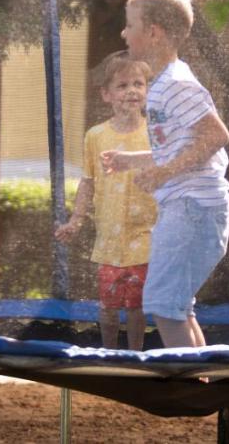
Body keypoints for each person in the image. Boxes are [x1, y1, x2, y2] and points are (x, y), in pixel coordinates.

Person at [102, 0, 229, 348]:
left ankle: (187, 386)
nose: (123, 33)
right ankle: (200, 385)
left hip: (193, 208)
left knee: (162, 304)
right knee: (177, 305)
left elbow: (216, 136)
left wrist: (164, 173)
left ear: (153, 32)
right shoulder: (163, 84)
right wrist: (135, 160)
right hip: (190, 207)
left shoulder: (176, 84)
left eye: (130, 25)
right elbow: (181, 147)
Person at [54, 53, 156, 351]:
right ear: (107, 94)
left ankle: (135, 355)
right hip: (110, 236)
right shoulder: (96, 136)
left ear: (147, 90)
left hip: (146, 234)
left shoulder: (154, 133)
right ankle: (109, 353)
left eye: (138, 84)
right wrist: (76, 220)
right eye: (123, 85)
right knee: (108, 305)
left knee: (136, 306)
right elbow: (88, 181)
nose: (132, 91)